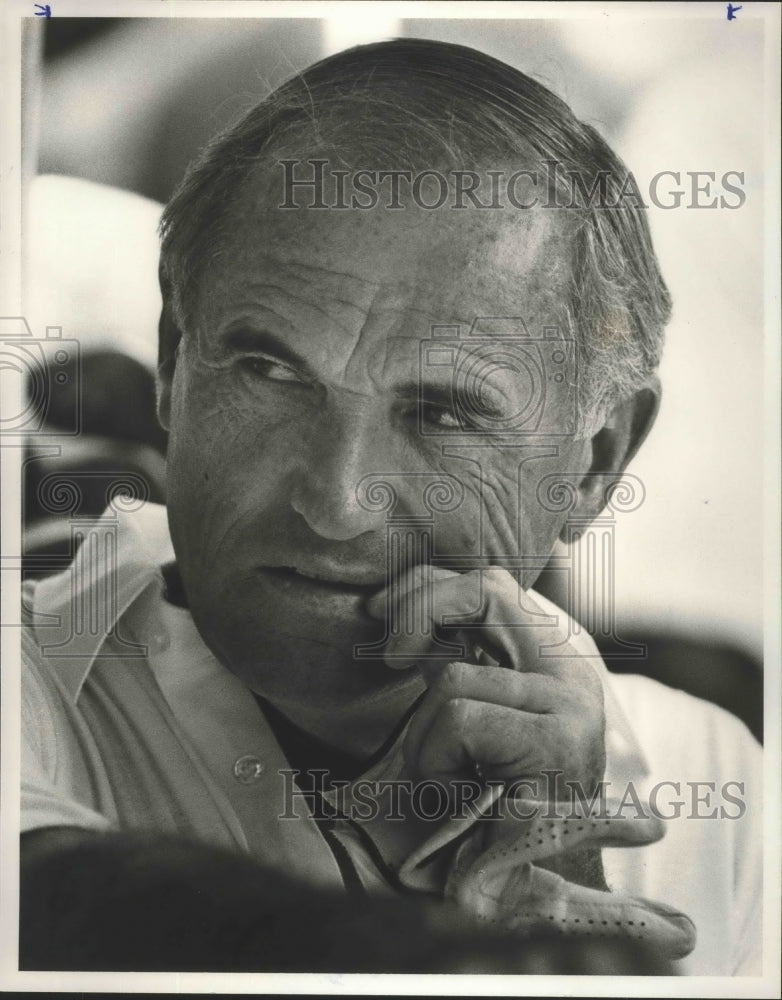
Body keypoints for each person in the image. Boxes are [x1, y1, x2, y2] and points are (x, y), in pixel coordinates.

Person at [20, 39, 761, 975]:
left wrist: (566, 887)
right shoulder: (28, 699)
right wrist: (494, 966)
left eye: (444, 413)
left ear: (597, 462)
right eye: (270, 371)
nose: (334, 502)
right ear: (175, 362)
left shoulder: (719, 784)